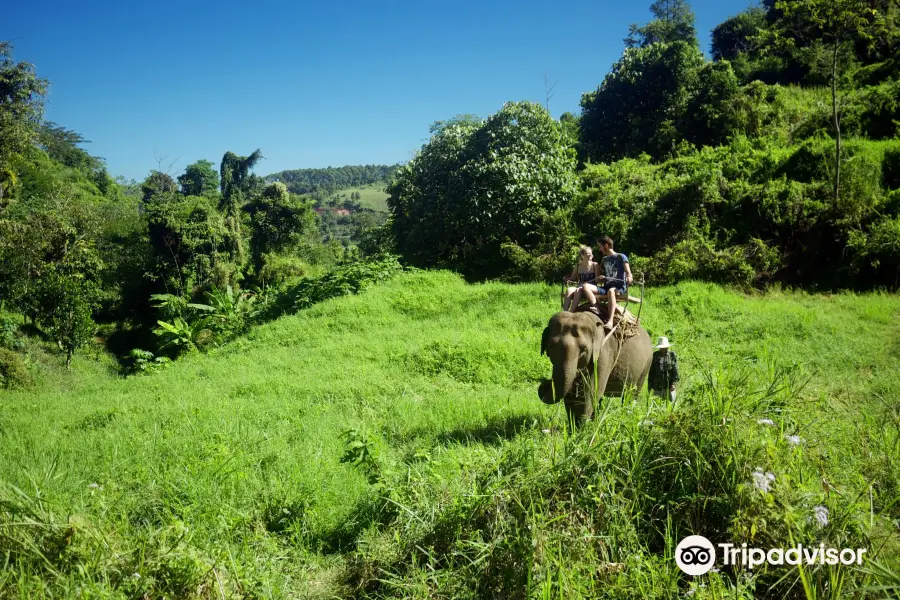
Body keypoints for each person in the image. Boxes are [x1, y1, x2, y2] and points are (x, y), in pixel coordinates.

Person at [596, 236, 633, 328]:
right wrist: (601, 277)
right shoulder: (604, 259)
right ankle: (596, 309)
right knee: (587, 287)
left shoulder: (621, 257)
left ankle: (610, 321)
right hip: (606, 286)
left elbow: (629, 273)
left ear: (606, 245)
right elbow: (602, 273)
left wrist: (629, 277)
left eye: (600, 246)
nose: (600, 249)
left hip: (618, 286)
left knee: (611, 291)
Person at [562, 245, 600, 312]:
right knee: (569, 290)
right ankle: (564, 312)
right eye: (588, 253)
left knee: (578, 290)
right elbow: (572, 278)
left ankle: (571, 312)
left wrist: (599, 279)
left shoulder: (595, 265)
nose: (590, 255)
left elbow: (597, 280)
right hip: (579, 286)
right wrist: (566, 279)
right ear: (582, 255)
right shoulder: (578, 266)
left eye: (591, 253)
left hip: (590, 288)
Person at [648, 336, 679, 402]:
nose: (663, 349)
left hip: (669, 386)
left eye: (664, 347)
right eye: (661, 347)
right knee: (656, 405)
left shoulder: (672, 355)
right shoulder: (655, 355)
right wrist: (650, 386)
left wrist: (673, 383)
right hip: (657, 386)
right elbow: (651, 371)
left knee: (671, 404)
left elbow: (675, 370)